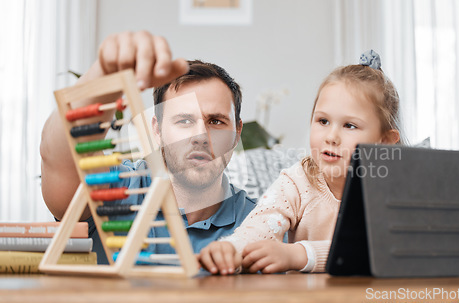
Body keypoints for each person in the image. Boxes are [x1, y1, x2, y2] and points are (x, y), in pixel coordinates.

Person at [40, 31, 256, 264]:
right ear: (157, 129)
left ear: (236, 134)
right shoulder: (116, 190)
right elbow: (58, 154)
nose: (200, 136)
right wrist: (105, 73)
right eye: (184, 120)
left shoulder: (263, 223)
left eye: (216, 121)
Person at [198, 50, 403, 275]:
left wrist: (299, 254)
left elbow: (382, 251)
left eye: (349, 126)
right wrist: (231, 249)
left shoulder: (394, 191)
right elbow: (260, 226)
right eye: (323, 121)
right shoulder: (298, 182)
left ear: (384, 142)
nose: (331, 136)